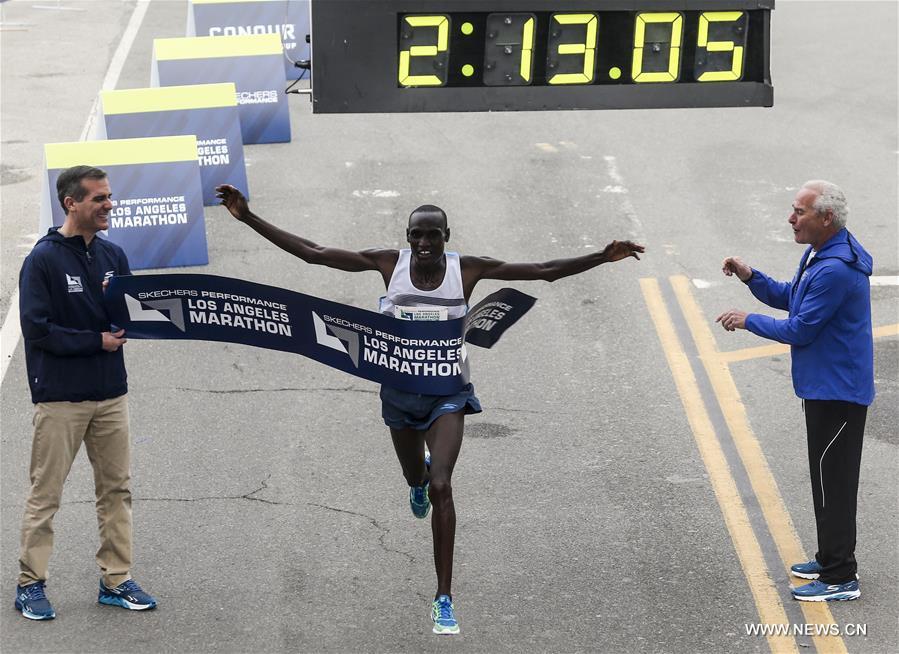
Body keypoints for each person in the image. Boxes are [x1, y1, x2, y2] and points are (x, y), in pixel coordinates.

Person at [216, 183, 644, 633]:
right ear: (407, 237)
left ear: (446, 237)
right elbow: (314, 252)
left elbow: (543, 270)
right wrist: (248, 217)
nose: (423, 244)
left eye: (432, 236)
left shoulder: (469, 270)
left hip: (447, 394)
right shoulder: (389, 264)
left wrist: (601, 255)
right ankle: (415, 481)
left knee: (443, 484)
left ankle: (444, 598)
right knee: (417, 478)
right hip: (399, 394)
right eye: (415, 235)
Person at [717, 180, 873, 602]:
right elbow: (795, 298)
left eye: (799, 212)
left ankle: (841, 576)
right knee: (825, 479)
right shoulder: (822, 254)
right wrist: (753, 278)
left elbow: (801, 329)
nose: (791, 219)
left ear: (826, 218)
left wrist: (747, 319)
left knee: (835, 483)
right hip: (824, 386)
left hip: (839, 392)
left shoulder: (836, 268)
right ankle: (828, 557)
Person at [15, 166, 157, 620]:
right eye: (98, 198)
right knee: (46, 493)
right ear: (71, 203)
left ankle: (116, 579)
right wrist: (95, 341)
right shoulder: (42, 260)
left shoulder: (114, 255)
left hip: (111, 394)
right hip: (60, 399)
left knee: (117, 490)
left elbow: (131, 314)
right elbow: (37, 331)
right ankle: (30, 584)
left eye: (110, 196)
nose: (108, 205)